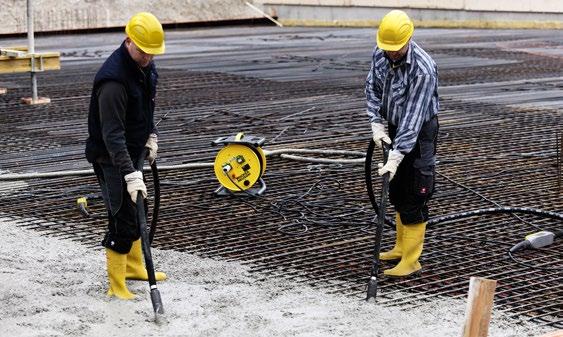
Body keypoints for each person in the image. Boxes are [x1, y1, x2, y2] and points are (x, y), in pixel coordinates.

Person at [85, 12, 167, 299]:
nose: (149, 58)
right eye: (144, 52)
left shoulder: (145, 67)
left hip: (132, 149)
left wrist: (151, 134)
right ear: (129, 41)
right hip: (110, 156)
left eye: (153, 54)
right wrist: (130, 174)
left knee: (138, 210)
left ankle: (134, 267)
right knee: (122, 216)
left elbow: (145, 108)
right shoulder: (113, 81)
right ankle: (116, 284)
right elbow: (111, 135)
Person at [365, 10, 439, 277]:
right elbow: (372, 87)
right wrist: (377, 122)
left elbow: (413, 118)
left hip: (419, 132)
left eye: (396, 49)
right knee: (395, 189)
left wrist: (396, 156)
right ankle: (399, 247)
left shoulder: (422, 69)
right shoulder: (381, 52)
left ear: (409, 39)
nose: (391, 54)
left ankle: (411, 259)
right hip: (394, 125)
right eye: (388, 49)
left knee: (415, 192)